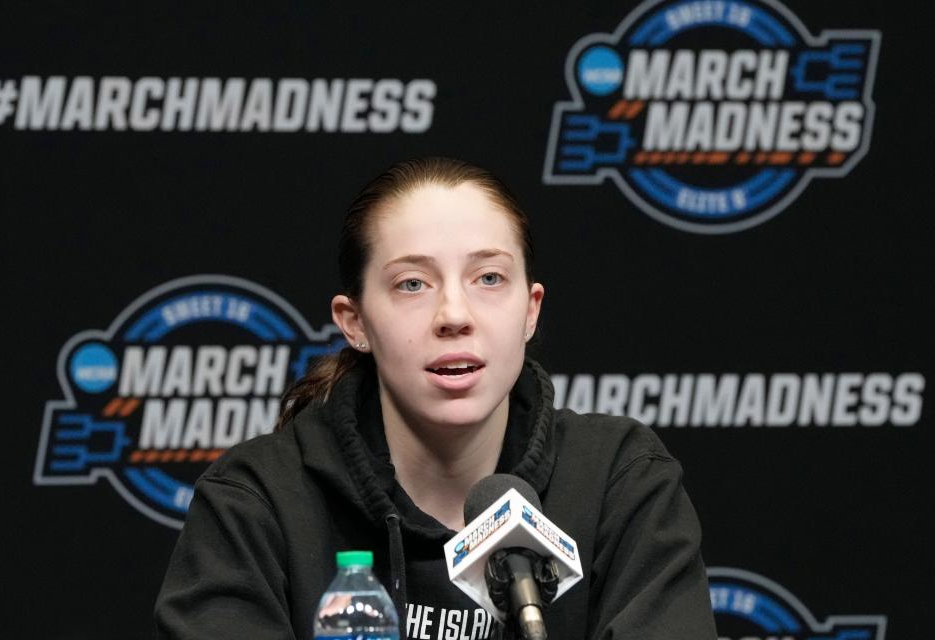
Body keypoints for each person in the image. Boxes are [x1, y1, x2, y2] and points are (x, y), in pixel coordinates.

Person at [154, 157, 717, 639]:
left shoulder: (620, 479)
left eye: (489, 278)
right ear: (355, 323)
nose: (454, 315)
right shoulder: (256, 503)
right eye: (412, 284)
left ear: (531, 308)